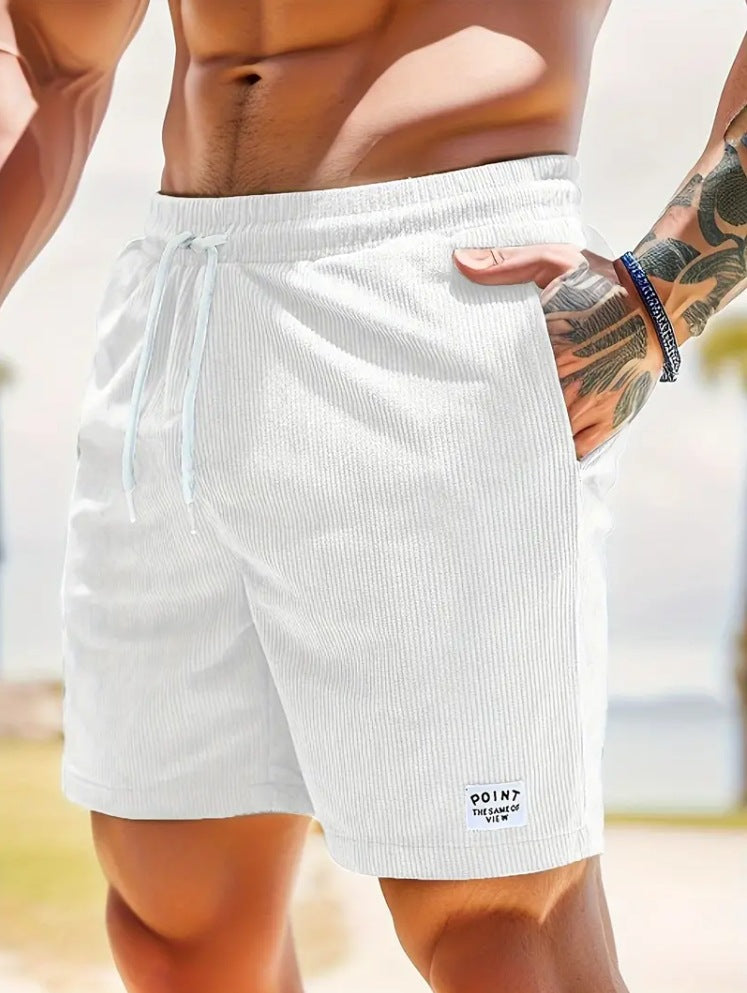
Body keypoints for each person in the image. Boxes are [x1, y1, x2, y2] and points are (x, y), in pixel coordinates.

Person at [1, 2, 745, 991]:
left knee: (501, 929)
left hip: (437, 281)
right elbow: (51, 49)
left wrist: (662, 295)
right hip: (177, 302)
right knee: (176, 920)